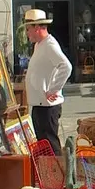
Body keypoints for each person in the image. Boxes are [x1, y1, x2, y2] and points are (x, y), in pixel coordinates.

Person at [24, 9, 72, 155]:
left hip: (48, 106)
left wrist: (53, 89)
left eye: (28, 29)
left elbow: (66, 66)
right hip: (40, 105)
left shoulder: (49, 44)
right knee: (44, 146)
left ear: (37, 28)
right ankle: (49, 175)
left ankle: (58, 176)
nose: (27, 33)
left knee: (50, 146)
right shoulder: (39, 45)